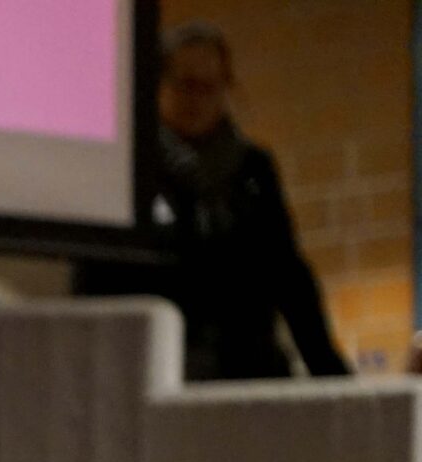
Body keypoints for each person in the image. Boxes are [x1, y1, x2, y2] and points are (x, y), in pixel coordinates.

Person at [79, 22, 349, 382]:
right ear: (158, 84)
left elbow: (288, 275)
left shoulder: (253, 169)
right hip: (158, 373)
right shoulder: (130, 172)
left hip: (250, 371)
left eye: (211, 87)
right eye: (186, 85)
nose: (198, 99)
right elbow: (98, 283)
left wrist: (330, 373)